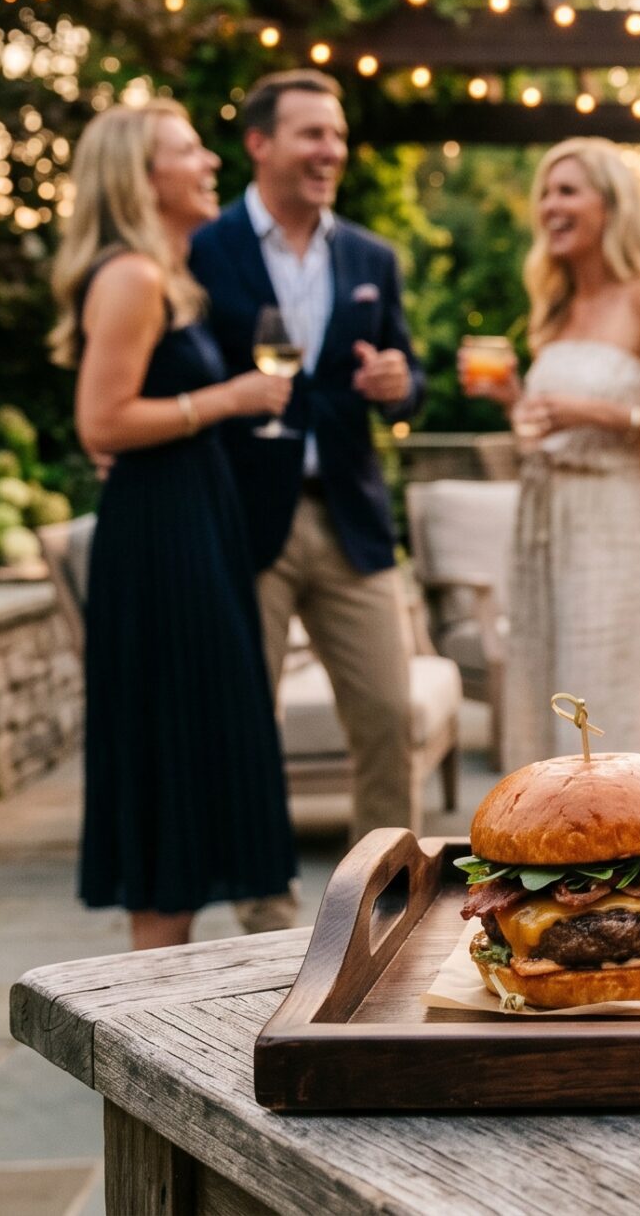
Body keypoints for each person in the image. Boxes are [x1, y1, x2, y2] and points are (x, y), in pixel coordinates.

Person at [49, 101, 297, 951]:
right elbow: (101, 421)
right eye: (189, 150)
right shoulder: (131, 277)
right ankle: (151, 1004)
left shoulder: (167, 273)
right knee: (173, 764)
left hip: (193, 530)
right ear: (141, 176)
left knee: (198, 759)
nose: (209, 162)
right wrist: (229, 398)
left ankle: (168, 990)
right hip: (163, 549)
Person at [190, 70, 425, 880]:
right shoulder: (203, 248)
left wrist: (399, 382)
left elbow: (410, 373)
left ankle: (384, 903)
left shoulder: (370, 256)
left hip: (349, 516)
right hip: (241, 516)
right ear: (259, 143)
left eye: (338, 136)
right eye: (312, 134)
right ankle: (261, 909)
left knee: (388, 714)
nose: (331, 151)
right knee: (243, 722)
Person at [460, 138, 640, 768]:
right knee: (540, 687)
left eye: (567, 191)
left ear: (611, 205)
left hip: (611, 520)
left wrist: (592, 412)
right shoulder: (556, 307)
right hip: (541, 518)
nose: (550, 206)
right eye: (545, 193)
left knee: (602, 691)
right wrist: (514, 398)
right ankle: (541, 820)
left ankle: (620, 821)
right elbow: (548, 426)